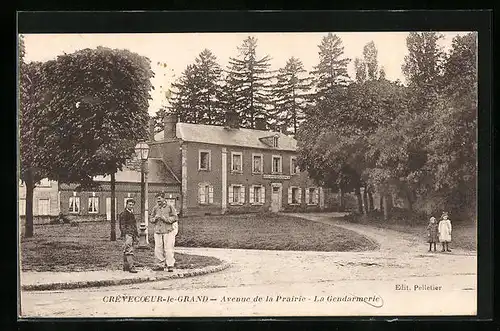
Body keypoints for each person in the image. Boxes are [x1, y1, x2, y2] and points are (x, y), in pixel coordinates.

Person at [150, 192, 179, 272]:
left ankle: (170, 265)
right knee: (158, 249)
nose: (158, 200)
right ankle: (160, 265)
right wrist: (154, 219)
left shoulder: (170, 207)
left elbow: (175, 217)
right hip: (158, 231)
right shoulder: (155, 208)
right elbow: (151, 218)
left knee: (168, 248)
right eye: (157, 199)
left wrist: (165, 219)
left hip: (168, 230)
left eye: (159, 198)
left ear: (163, 198)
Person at [119, 198, 139, 273]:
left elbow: (134, 225)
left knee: (126, 249)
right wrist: (126, 234)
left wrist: (136, 234)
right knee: (129, 250)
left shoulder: (131, 213)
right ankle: (131, 267)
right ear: (126, 205)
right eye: (129, 204)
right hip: (128, 234)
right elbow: (122, 225)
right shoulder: (124, 214)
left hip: (132, 234)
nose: (131, 206)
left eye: (132, 205)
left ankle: (126, 266)